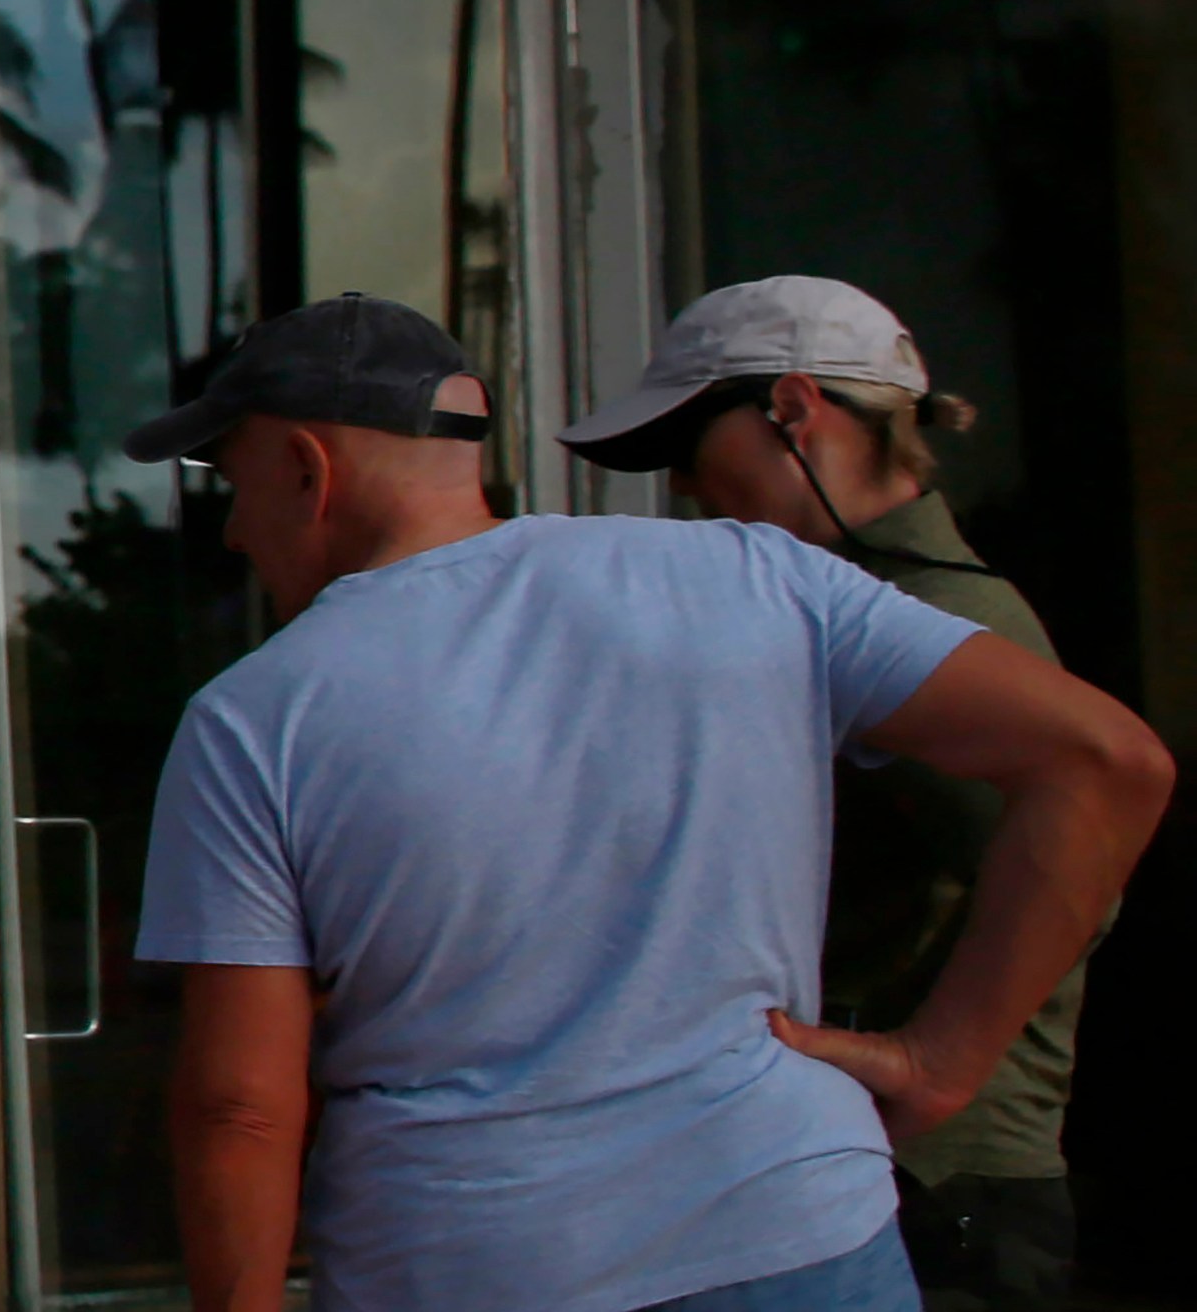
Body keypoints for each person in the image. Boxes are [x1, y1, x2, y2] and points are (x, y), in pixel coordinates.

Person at [123, 291, 1170, 1312]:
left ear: (305, 468)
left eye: (232, 481)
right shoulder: (761, 577)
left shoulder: (252, 715)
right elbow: (1106, 763)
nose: (232, 535)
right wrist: (942, 1062)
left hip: (474, 1262)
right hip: (797, 1235)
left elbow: (239, 1110)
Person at [560, 275, 1096, 1309]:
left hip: (935, 1185)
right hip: (876, 1173)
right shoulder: (850, 609)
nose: (680, 486)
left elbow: (1089, 849)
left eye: (687, 446)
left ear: (792, 408)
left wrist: (930, 1060)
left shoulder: (933, 619)